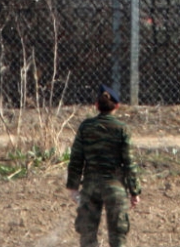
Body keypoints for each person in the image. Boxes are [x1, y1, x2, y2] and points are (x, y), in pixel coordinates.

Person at [66, 85, 141, 247]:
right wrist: (134, 191)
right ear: (117, 106)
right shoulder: (122, 129)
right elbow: (129, 162)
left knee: (87, 235)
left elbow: (76, 158)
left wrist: (73, 186)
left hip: (90, 187)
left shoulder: (86, 127)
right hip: (116, 187)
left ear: (97, 105)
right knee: (118, 236)